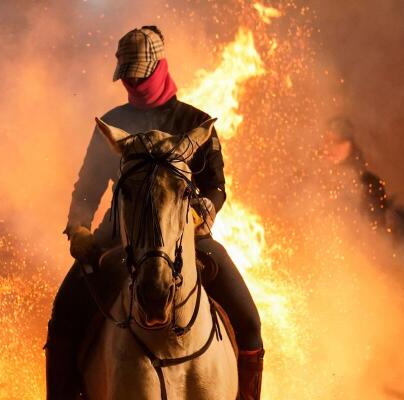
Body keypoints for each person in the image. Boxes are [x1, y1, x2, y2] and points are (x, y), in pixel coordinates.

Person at [45, 26, 264, 399]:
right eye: (127, 76)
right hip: (118, 236)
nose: (133, 81)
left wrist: (197, 216)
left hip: (188, 236)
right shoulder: (111, 125)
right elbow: (88, 186)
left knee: (248, 321)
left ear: (159, 68)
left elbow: (215, 186)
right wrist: (79, 227)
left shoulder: (195, 123)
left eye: (139, 74)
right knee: (63, 318)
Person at [322, 116, 388, 228]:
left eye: (338, 141)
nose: (331, 147)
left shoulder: (369, 185)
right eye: (327, 140)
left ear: (350, 145)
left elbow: (376, 230)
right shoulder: (311, 180)